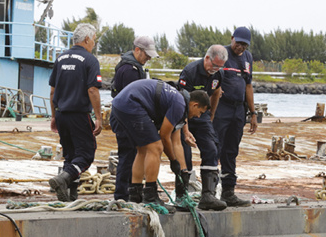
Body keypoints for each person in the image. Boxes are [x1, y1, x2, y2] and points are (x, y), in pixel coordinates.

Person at [110, 79, 210, 210]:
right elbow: (164, 136)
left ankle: (135, 194)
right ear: (195, 105)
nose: (198, 116)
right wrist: (172, 160)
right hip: (131, 103)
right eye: (200, 112)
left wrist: (183, 171)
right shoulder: (179, 104)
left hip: (119, 104)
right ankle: (150, 195)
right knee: (156, 147)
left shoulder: (178, 102)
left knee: (142, 149)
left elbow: (176, 143)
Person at [48, 23, 103, 202]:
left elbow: (52, 92)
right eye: (93, 40)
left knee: (71, 155)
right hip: (78, 114)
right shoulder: (90, 60)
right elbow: (93, 90)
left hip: (61, 114)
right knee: (86, 154)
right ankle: (63, 179)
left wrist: (54, 116)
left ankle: (70, 196)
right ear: (86, 39)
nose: (93, 43)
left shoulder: (60, 59)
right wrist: (99, 118)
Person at [177, 44, 228, 211]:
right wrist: (185, 130)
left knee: (212, 149)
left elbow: (216, 91)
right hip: (185, 114)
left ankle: (208, 195)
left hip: (202, 116)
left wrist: (210, 116)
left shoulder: (218, 74)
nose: (215, 69)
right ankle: (181, 196)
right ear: (207, 58)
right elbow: (180, 102)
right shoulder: (190, 72)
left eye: (219, 67)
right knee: (184, 155)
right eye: (214, 65)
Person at [109, 36, 159, 202]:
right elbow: (131, 100)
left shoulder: (133, 68)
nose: (148, 58)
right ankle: (123, 195)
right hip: (125, 120)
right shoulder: (130, 70)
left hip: (124, 118)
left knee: (132, 155)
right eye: (147, 55)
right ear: (137, 50)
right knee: (127, 156)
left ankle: (130, 192)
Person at [213, 26, 258, 207]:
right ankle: (209, 191)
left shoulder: (247, 58)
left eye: (244, 45)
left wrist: (253, 113)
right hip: (221, 108)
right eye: (238, 43)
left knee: (231, 150)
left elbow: (248, 86)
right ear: (232, 39)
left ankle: (228, 192)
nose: (240, 48)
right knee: (215, 147)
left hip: (239, 109)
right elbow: (210, 77)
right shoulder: (221, 54)